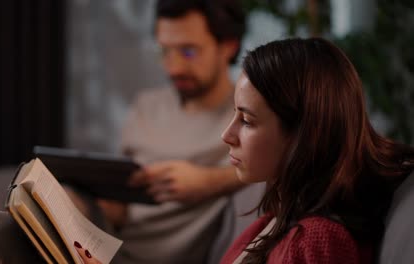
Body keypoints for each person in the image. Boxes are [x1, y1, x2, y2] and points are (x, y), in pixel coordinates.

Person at [0, 0, 248, 263]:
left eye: (189, 52)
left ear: (228, 46)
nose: (174, 67)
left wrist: (207, 181)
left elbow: (283, 164)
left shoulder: (244, 115)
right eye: (165, 52)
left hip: (143, 257)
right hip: (97, 237)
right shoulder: (148, 106)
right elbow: (121, 207)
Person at [74, 37, 414, 263]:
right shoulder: (277, 218)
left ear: (303, 136)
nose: (227, 135)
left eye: (247, 121)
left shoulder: (317, 243)